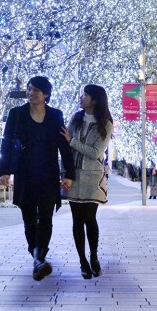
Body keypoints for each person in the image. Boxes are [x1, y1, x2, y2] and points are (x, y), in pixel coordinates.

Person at [0, 76, 75, 281]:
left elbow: (63, 146)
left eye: (36, 90)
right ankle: (35, 253)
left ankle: (40, 255)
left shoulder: (55, 115)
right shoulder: (16, 114)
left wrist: (69, 173)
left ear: (46, 94)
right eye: (29, 89)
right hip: (24, 173)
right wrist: (5, 170)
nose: (30, 93)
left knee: (47, 217)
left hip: (48, 173)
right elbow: (6, 143)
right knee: (29, 218)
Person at [61, 84, 114, 279]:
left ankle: (94, 257)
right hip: (73, 176)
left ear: (95, 100)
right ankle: (82, 261)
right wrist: (64, 173)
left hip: (92, 176)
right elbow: (65, 150)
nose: (81, 98)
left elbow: (95, 153)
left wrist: (72, 141)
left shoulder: (105, 124)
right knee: (77, 219)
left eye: (85, 95)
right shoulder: (75, 118)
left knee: (90, 218)